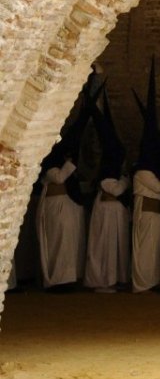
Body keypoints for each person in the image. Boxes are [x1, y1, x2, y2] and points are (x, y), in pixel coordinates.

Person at [37, 92, 91, 291]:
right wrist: (69, 164)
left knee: (69, 244)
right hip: (55, 207)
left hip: (67, 206)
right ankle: (56, 281)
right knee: (57, 244)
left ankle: (68, 279)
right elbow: (59, 177)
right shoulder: (50, 165)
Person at [85, 87, 130, 293]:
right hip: (106, 215)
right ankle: (103, 281)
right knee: (105, 248)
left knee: (116, 249)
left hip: (115, 215)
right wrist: (125, 180)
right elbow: (118, 189)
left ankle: (115, 279)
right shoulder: (108, 177)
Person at [131, 62, 160, 293]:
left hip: (154, 213)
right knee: (145, 249)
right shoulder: (143, 171)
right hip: (145, 213)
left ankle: (152, 281)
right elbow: (158, 186)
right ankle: (142, 283)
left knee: (154, 249)